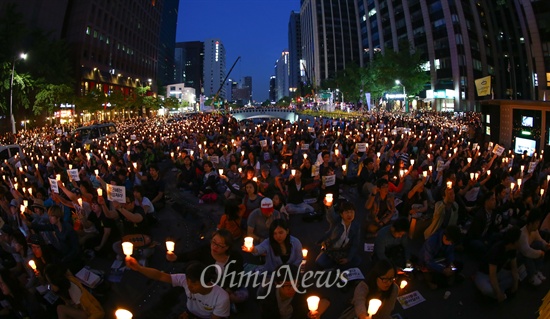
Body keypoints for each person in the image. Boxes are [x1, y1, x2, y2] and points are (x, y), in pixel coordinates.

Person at [125, 259, 230, 319]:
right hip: (190, 313)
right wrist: (139, 268)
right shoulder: (186, 280)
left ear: (207, 283)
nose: (189, 286)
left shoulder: (221, 298)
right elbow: (160, 276)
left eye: (194, 283)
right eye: (188, 280)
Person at [260, 264, 330, 319]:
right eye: (287, 285)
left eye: (295, 284)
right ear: (276, 283)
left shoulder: (302, 288)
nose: (292, 289)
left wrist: (317, 313)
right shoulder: (267, 294)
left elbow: (325, 300)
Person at [474, 227, 521, 302]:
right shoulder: (497, 250)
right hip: (484, 274)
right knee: (487, 290)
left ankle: (496, 293)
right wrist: (499, 293)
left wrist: (515, 287)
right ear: (513, 242)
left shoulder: (512, 250)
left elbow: (514, 269)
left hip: (498, 272)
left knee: (515, 277)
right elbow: (492, 275)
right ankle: (497, 292)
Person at [316, 199, 361, 270]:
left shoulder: (356, 226)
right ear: (341, 214)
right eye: (346, 212)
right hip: (331, 249)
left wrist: (348, 259)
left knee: (357, 261)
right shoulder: (336, 222)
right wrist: (329, 206)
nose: (349, 215)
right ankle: (338, 267)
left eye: (352, 212)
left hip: (345, 250)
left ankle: (335, 267)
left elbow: (355, 244)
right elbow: (331, 216)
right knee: (320, 262)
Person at [518, 209, 549, 286]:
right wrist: (540, 253)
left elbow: (539, 239)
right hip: (519, 256)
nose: (538, 225)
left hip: (527, 252)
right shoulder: (523, 233)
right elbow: (526, 251)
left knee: (538, 244)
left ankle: (536, 271)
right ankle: (531, 276)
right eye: (536, 223)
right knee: (527, 255)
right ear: (531, 223)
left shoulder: (534, 231)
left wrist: (546, 245)